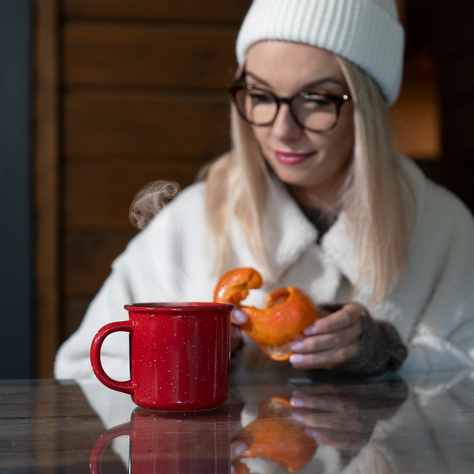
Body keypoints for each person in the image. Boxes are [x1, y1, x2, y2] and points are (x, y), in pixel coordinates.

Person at [54, 0, 474, 380]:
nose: (281, 130)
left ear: (368, 107)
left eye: (316, 98)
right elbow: (82, 368)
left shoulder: (443, 229)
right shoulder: (191, 221)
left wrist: (384, 352)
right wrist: (198, 358)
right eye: (259, 94)